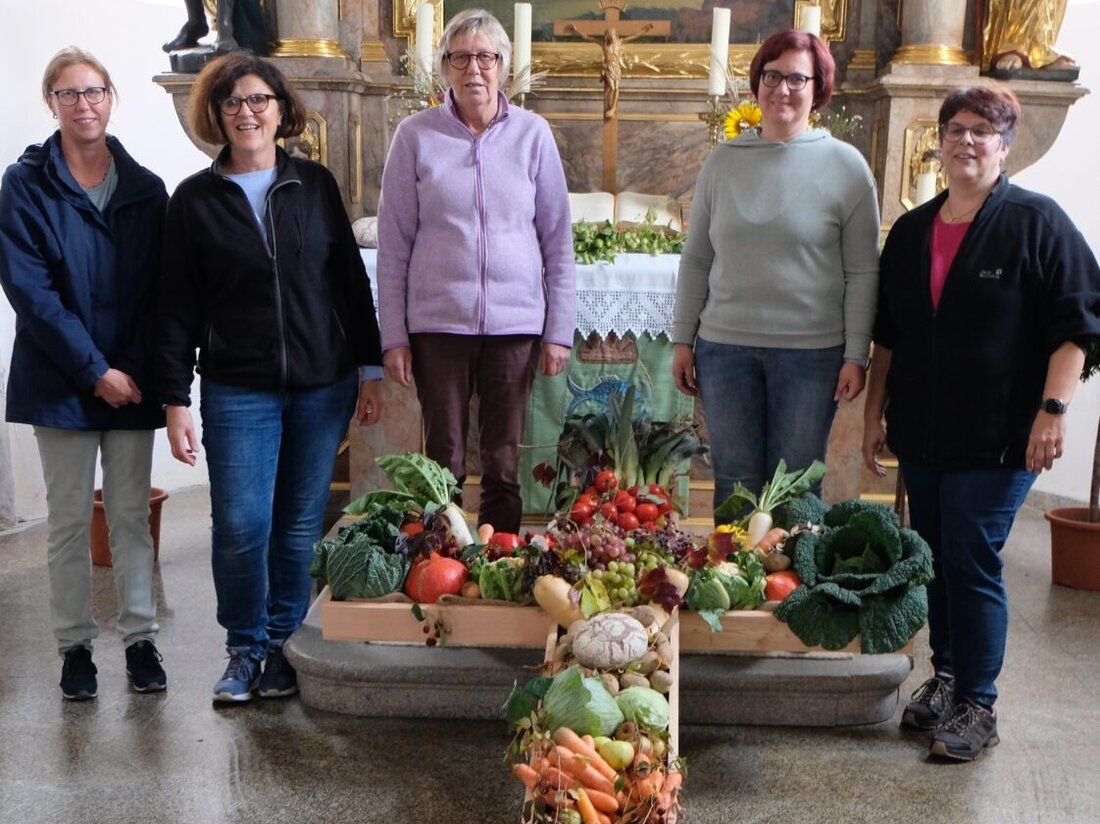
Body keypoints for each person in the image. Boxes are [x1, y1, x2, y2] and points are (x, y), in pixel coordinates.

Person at [862, 86, 1100, 761]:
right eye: (955, 129)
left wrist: (1052, 412)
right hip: (924, 431)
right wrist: (874, 414)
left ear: (1005, 145)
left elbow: (1078, 325)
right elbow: (890, 337)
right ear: (939, 143)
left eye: (982, 130)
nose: (966, 140)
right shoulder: (913, 230)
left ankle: (978, 704)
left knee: (970, 557)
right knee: (936, 558)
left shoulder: (1036, 221)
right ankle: (947, 678)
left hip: (1000, 434)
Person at [157, 53, 383, 703]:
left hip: (321, 382)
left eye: (259, 100)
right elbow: (174, 307)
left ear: (282, 110)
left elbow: (349, 283)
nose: (247, 112)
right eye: (232, 102)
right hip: (237, 385)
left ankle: (283, 644)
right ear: (216, 115)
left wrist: (368, 368)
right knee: (239, 524)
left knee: (298, 525)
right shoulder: (194, 200)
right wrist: (175, 398)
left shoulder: (314, 185)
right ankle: (243, 647)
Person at [0, 47, 168, 700]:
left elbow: (158, 294)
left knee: (129, 518)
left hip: (131, 379)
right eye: (68, 94)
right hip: (60, 380)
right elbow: (31, 292)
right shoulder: (25, 185)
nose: (83, 104)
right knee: (69, 521)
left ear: (111, 97)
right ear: (51, 103)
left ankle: (141, 640)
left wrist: (128, 370)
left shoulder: (146, 189)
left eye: (94, 91)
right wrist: (95, 370)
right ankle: (74, 649)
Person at [376, 9, 574, 534]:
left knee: (504, 461)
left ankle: (500, 558)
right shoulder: (415, 136)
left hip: (515, 325)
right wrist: (393, 336)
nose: (474, 69)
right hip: (438, 325)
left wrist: (558, 330)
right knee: (443, 459)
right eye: (460, 58)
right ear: (445, 68)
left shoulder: (533, 135)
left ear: (503, 67)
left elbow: (558, 240)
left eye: (485, 57)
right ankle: (443, 560)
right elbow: (393, 246)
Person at [671, 28, 880, 519]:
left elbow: (863, 272)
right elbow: (697, 258)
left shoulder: (846, 166)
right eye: (772, 75)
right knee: (735, 485)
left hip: (811, 354)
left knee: (797, 489)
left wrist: (856, 354)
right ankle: (733, 570)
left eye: (796, 78)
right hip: (725, 350)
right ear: (757, 83)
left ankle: (794, 573)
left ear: (818, 88)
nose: (782, 88)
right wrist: (683, 339)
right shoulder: (722, 163)